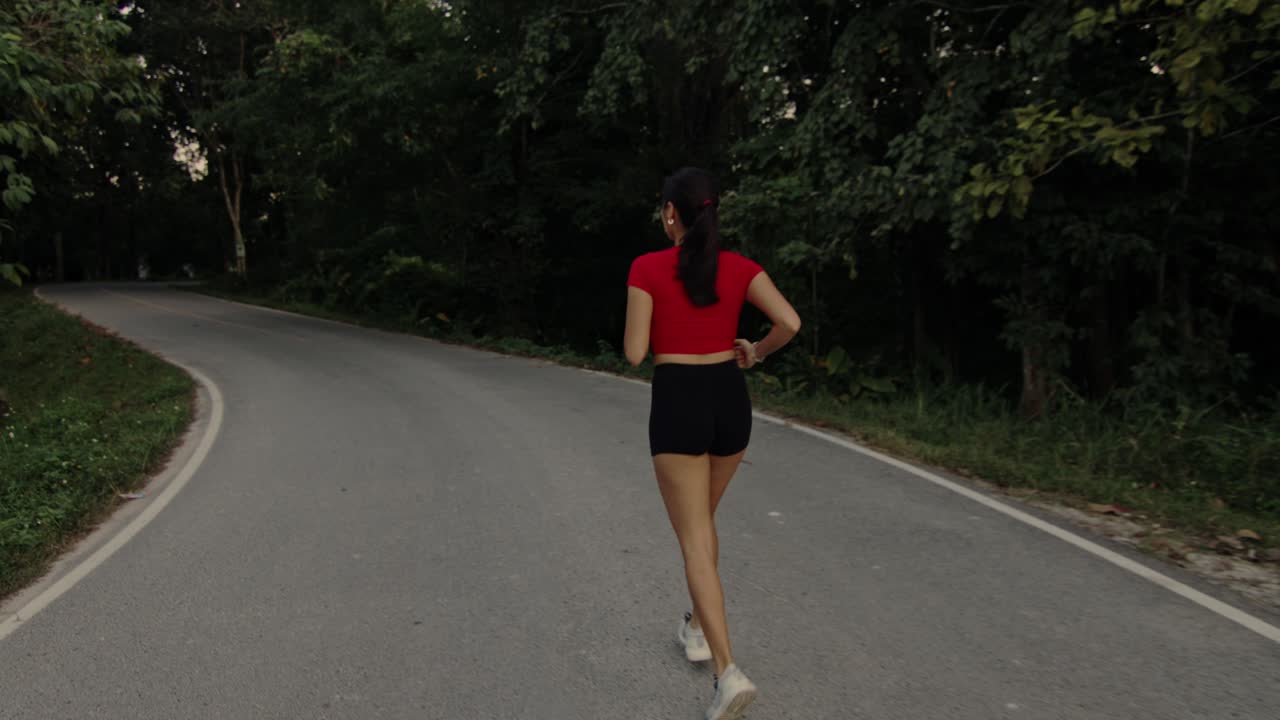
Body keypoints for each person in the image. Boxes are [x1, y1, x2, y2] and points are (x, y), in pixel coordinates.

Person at [624, 167, 801, 720]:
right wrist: (757, 351)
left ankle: (728, 673)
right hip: (729, 398)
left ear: (670, 213)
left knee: (695, 539)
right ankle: (697, 627)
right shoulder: (741, 267)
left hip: (679, 397)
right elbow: (790, 322)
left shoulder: (647, 267)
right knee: (704, 521)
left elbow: (634, 353)